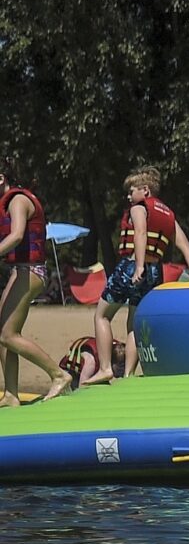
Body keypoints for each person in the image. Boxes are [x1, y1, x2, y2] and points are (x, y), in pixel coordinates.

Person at [91, 166, 189, 385]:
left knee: (102, 315)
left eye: (131, 191)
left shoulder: (139, 208)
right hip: (155, 271)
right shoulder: (168, 214)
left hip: (133, 266)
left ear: (145, 190)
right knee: (134, 322)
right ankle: (128, 374)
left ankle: (105, 368)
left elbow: (140, 233)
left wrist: (139, 265)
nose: (128, 196)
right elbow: (185, 245)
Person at [0, 160, 67, 403]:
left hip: (31, 272)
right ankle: (11, 394)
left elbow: (17, 235)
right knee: (3, 331)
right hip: (20, 271)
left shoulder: (18, 200)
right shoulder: (8, 201)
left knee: (8, 335)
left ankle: (59, 375)